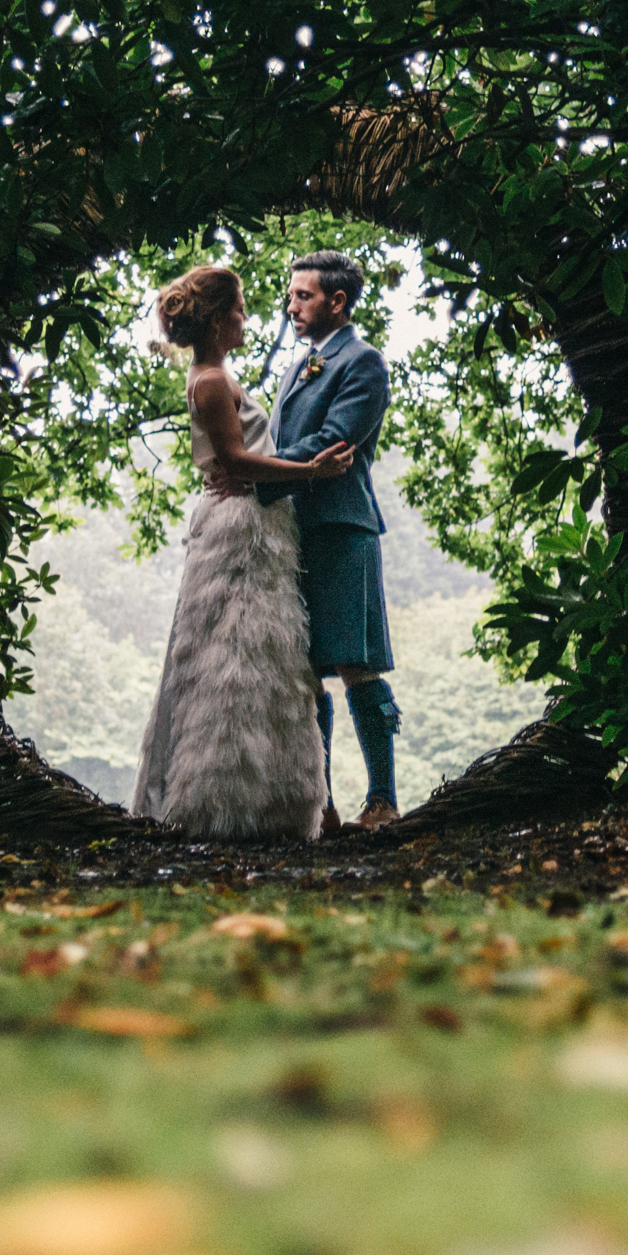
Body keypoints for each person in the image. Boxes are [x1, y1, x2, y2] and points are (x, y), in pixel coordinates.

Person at [131, 265, 355, 840]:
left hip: (258, 524)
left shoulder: (218, 375)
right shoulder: (209, 381)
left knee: (262, 654)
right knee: (229, 657)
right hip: (239, 529)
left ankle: (269, 802)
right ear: (215, 318)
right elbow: (233, 461)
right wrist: (311, 470)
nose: (246, 316)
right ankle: (217, 801)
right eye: (238, 308)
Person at [255, 251, 402, 833]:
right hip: (292, 533)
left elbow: (334, 443)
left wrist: (255, 476)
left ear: (337, 301)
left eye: (303, 296)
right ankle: (322, 805)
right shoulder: (295, 367)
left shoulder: (364, 362)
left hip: (342, 527)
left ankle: (383, 802)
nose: (291, 306)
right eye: (291, 295)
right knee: (307, 668)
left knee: (355, 662)